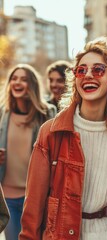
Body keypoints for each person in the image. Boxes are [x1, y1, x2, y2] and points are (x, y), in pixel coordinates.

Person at [19, 37, 107, 240]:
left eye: (98, 70)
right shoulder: (51, 133)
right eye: (81, 70)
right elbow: (33, 205)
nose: (88, 76)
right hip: (61, 234)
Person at [0, 63, 57, 240]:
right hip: (7, 197)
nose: (17, 82)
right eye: (14, 79)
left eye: (23, 79)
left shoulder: (47, 113)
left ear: (32, 85)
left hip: (35, 196)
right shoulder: (2, 113)